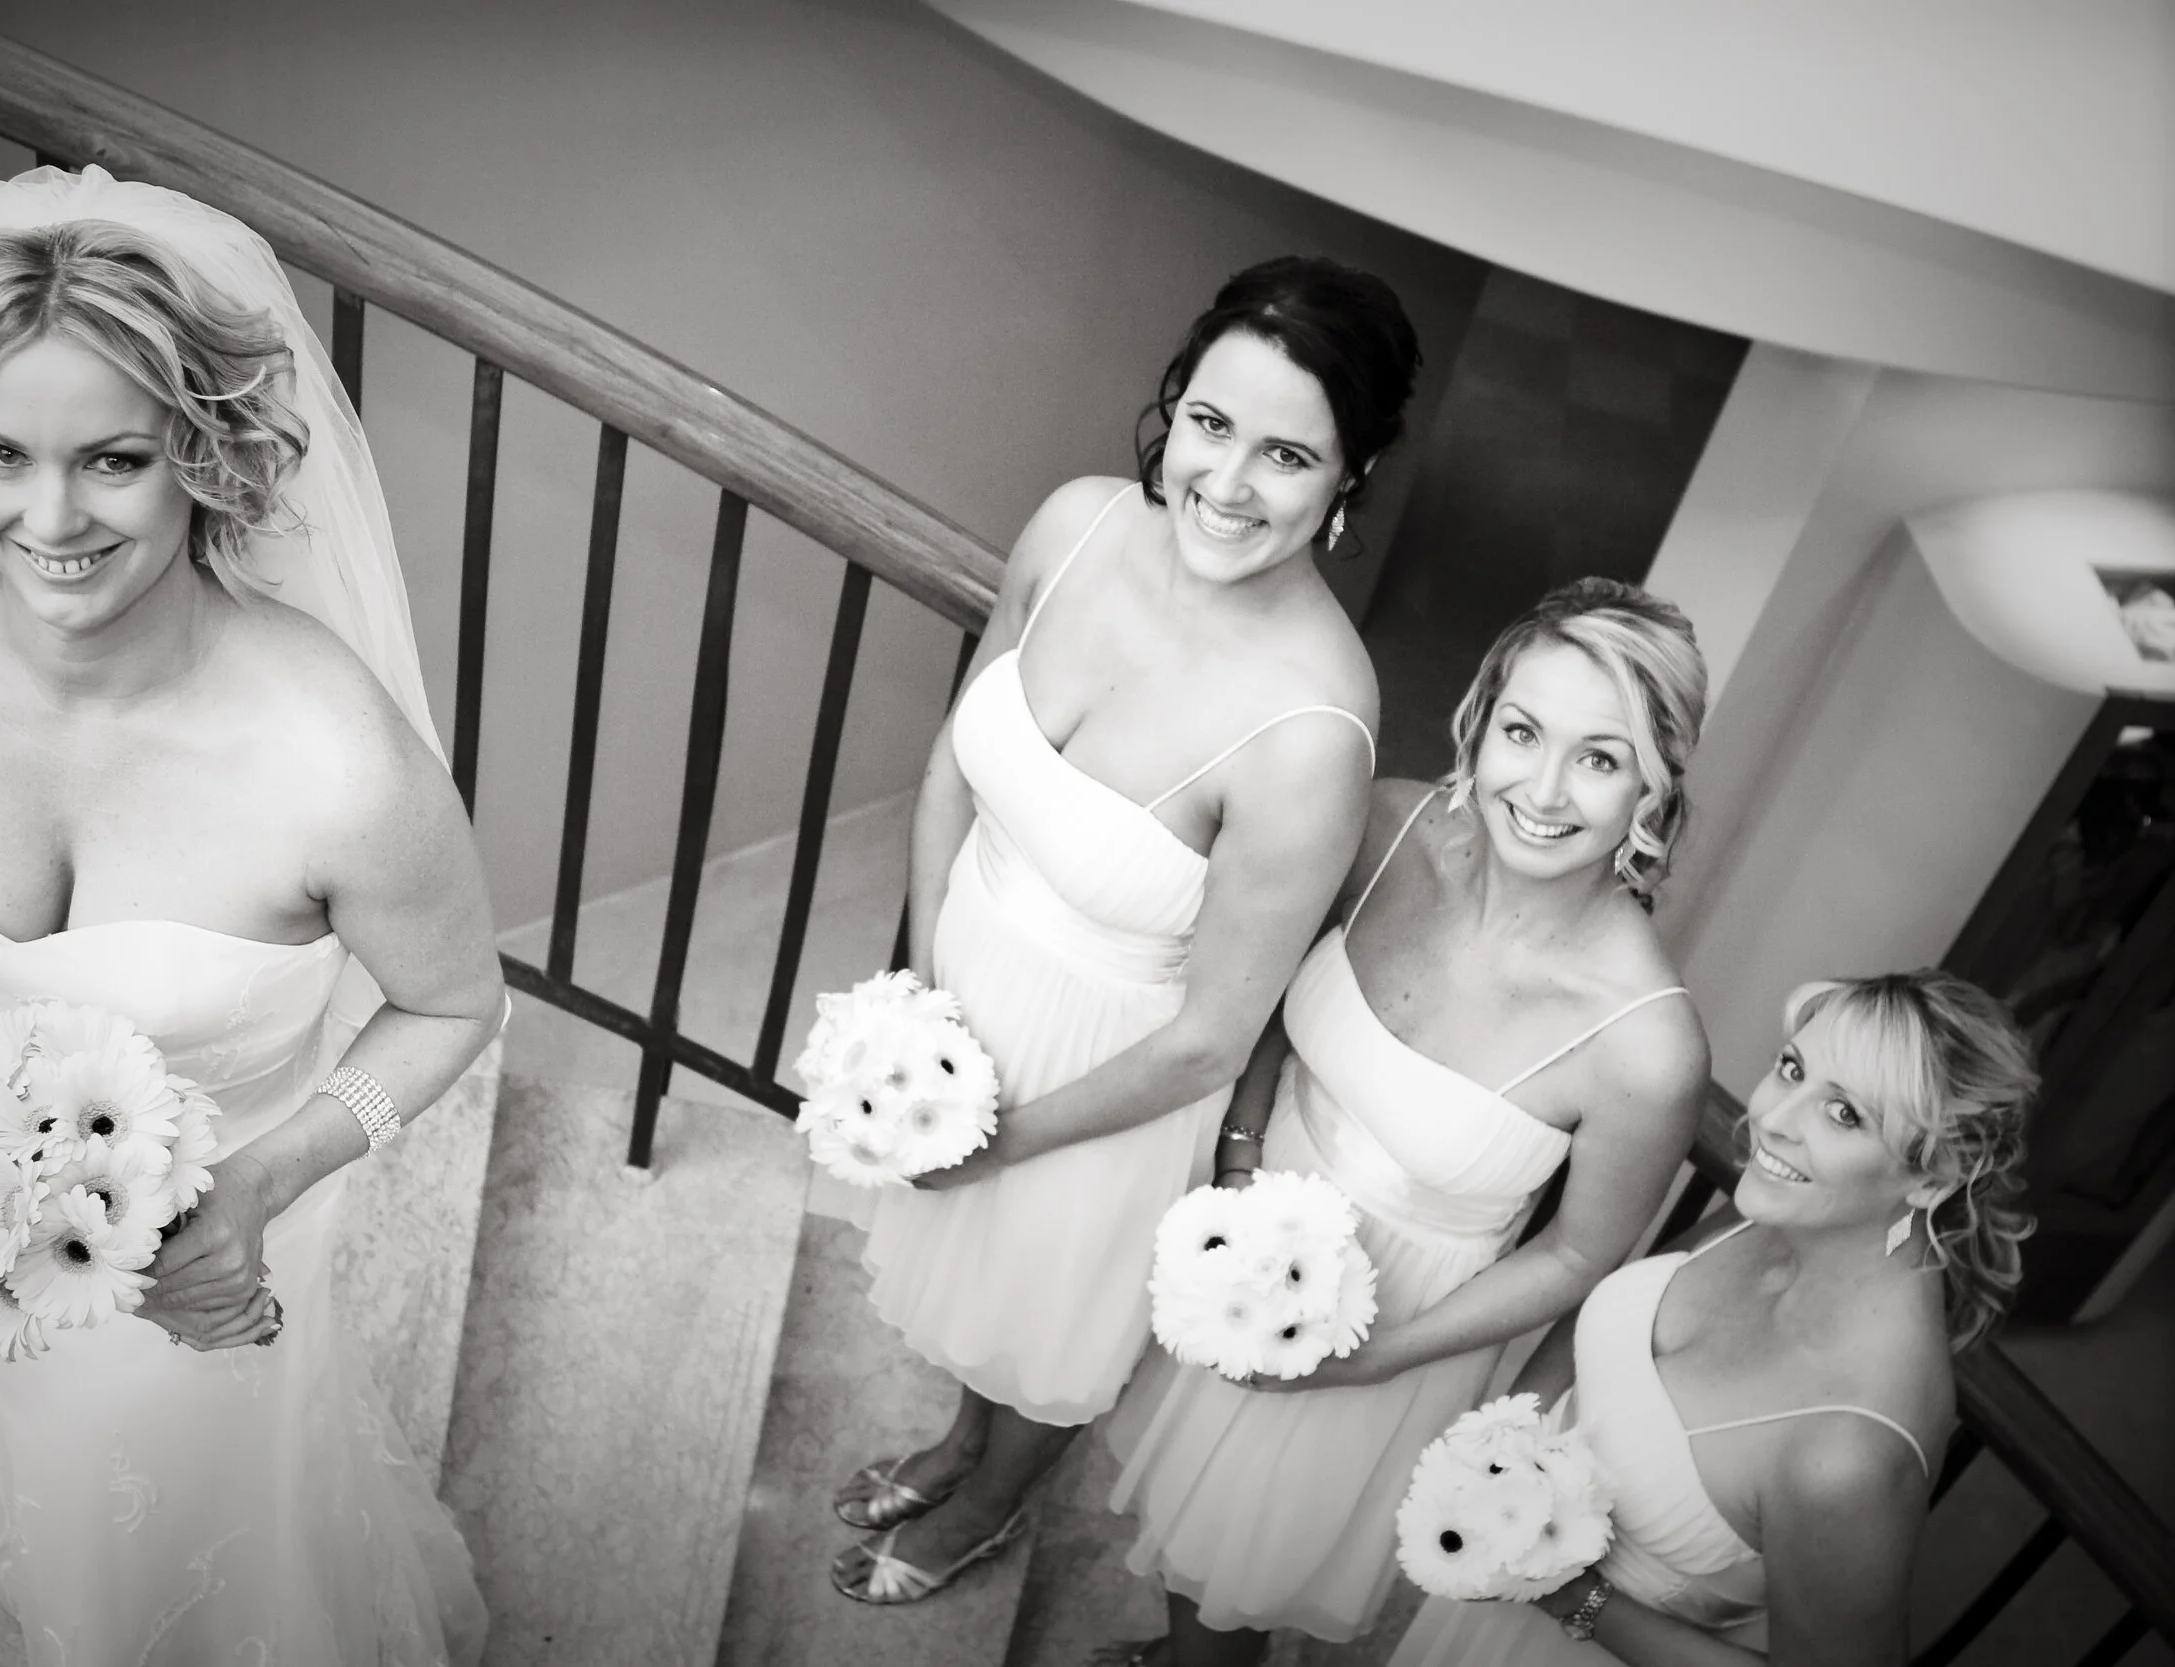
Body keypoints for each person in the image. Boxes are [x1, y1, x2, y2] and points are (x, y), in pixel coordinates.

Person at [0, 166, 499, 1666]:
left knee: (230, 1547)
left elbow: (456, 1000)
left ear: (204, 455)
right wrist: (26, 1183)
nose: (47, 517)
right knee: (53, 1523)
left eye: (115, 459)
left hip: (232, 1242)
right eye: (1, 451)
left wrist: (255, 1188)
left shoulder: (332, 752)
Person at [824, 256, 1420, 1605]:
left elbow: (1213, 1039)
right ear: (1173, 404)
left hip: (1104, 1085)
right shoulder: (1076, 524)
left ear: (1349, 479)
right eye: (1210, 423)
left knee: (1048, 1319)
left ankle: (993, 1489)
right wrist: (917, 1006)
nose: (1226, 481)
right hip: (959, 1006)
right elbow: (953, 763)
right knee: (967, 1292)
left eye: (1287, 454)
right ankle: (955, 1435)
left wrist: (997, 1139)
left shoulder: (1314, 730)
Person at [1101, 579, 1715, 1664]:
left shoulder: (1647, 1048)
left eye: (1602, 758)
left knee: (1237, 1572)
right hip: (1244, 1231)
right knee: (1177, 1512)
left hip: (1396, 1328)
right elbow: (1280, 1008)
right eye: (1523, 731)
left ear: (1650, 797)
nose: (1544, 788)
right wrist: (1240, 1157)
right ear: (1479, 722)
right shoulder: (1386, 827)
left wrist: (1369, 1360)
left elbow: (1578, 1253)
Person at [1389, 971, 2037, 1666]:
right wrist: (1505, 1444)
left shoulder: (1849, 1454)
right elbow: (1598, 1338)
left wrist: (1567, 1593)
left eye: (1845, 1113)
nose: (1775, 1118)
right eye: (1792, 1069)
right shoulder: (1776, 1210)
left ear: (1936, 1176)